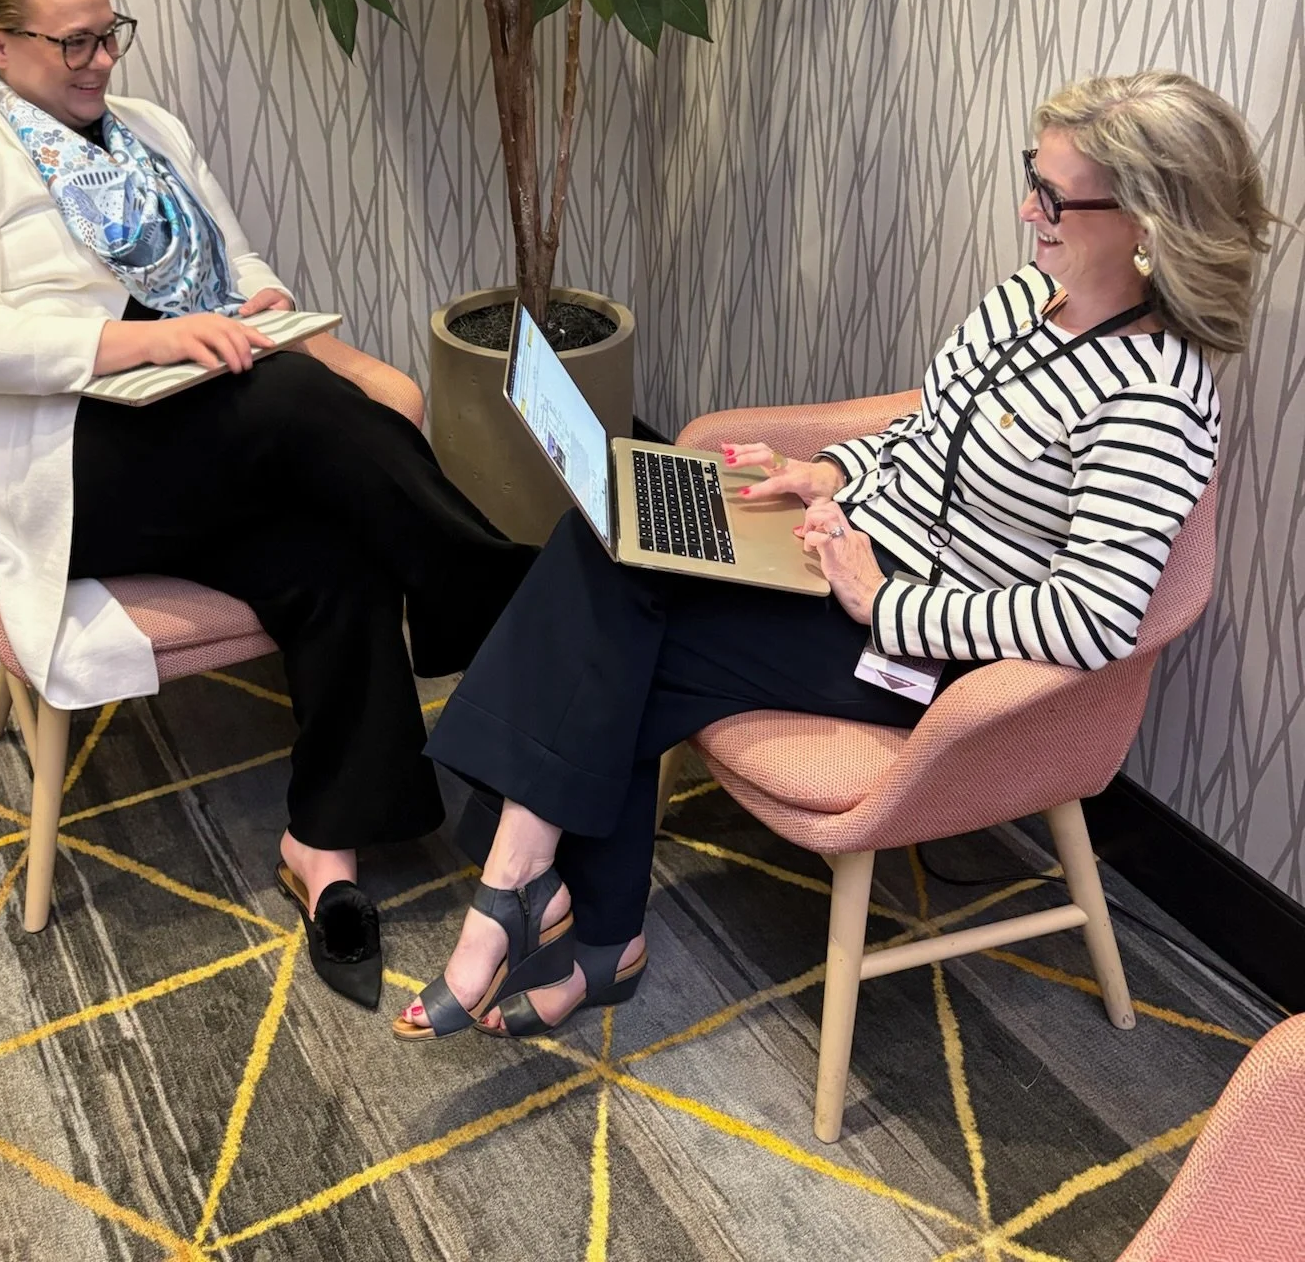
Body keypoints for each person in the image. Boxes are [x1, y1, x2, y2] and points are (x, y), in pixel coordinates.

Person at [396, 72, 1274, 1041]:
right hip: (839, 559)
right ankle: (574, 926)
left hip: (919, 651)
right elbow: (931, 429)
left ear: (1150, 220)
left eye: (1055, 195)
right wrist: (829, 474)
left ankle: (531, 896)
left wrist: (884, 602)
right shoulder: (1032, 294)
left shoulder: (1155, 399)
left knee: (620, 630)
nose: (1029, 207)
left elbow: (1096, 614)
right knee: (612, 544)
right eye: (1034, 175)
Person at [0, 0, 532, 1009]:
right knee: (293, 399)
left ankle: (323, 847)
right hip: (66, 462)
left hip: (201, 436)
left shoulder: (151, 135)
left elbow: (234, 261)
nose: (99, 60)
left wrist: (258, 306)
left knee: (335, 551)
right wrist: (155, 343)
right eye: (72, 39)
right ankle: (497, 596)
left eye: (108, 33)